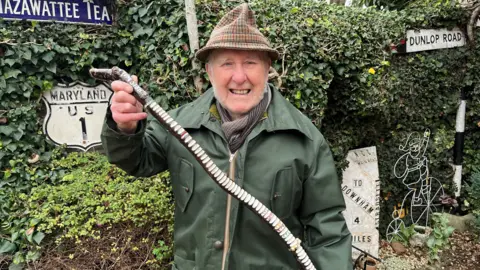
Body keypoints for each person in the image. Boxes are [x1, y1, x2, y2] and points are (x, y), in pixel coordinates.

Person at [101, 3, 352, 270]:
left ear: (268, 69)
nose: (239, 76)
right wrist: (125, 128)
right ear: (209, 71)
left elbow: (327, 232)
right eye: (227, 63)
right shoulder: (178, 126)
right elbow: (136, 160)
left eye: (251, 63)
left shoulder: (305, 140)